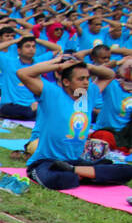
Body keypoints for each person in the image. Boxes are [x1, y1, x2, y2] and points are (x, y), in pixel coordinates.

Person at [19, 56, 132, 190]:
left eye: (87, 78)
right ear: (66, 82)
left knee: (127, 170)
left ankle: (75, 171)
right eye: (80, 79)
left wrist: (87, 66)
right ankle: (84, 174)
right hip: (46, 161)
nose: (86, 83)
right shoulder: (52, 93)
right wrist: (59, 66)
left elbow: (110, 74)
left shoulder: (88, 95)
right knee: (61, 179)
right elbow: (23, 73)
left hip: (74, 162)